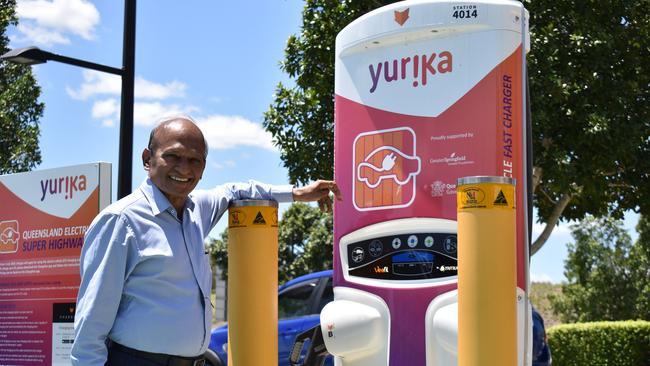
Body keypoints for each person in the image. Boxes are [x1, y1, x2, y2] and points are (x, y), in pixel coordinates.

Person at [71, 116, 341, 366]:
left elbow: (234, 190)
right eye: (173, 156)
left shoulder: (195, 210)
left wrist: (297, 193)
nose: (184, 168)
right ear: (147, 159)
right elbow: (90, 328)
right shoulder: (120, 221)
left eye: (194, 160)